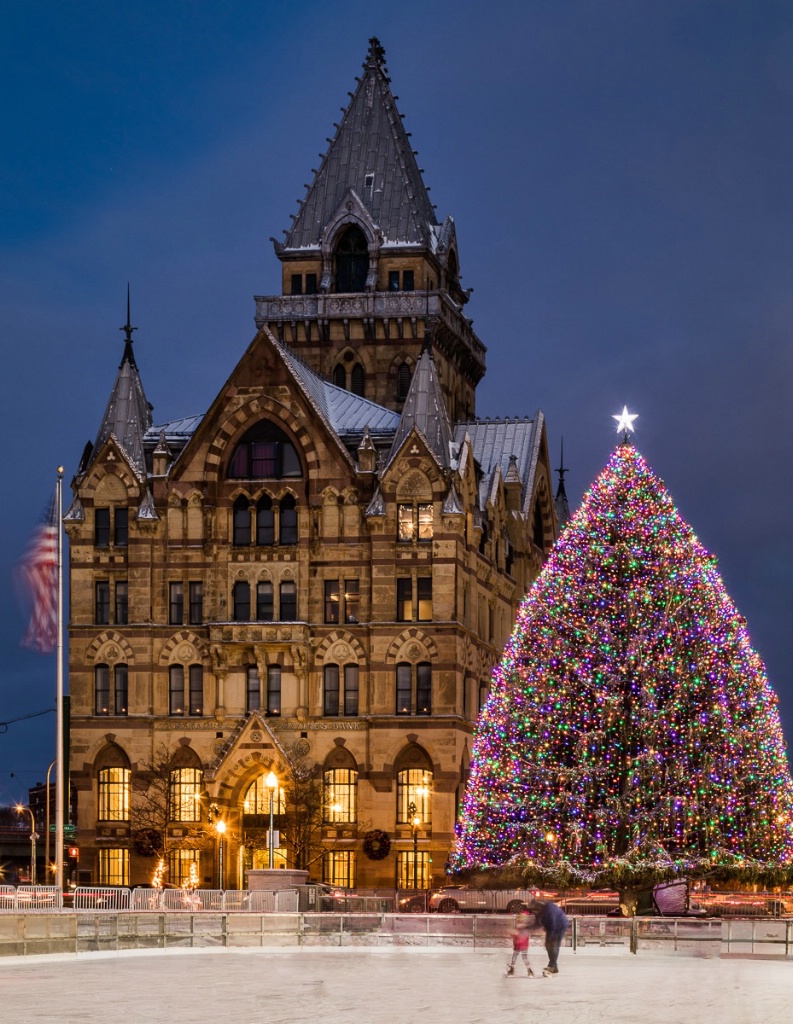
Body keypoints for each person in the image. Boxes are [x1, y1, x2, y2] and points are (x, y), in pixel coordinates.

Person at [527, 896, 569, 976]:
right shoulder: (539, 911)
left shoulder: (549, 910)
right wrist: (526, 928)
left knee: (554, 945)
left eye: (534, 910)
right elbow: (537, 924)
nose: (533, 912)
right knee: (548, 945)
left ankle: (552, 966)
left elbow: (553, 926)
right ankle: (554, 967)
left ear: (539, 907)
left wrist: (549, 940)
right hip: (552, 926)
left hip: (560, 925)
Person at [506, 909, 534, 976]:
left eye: (523, 917)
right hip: (518, 945)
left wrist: (515, 934)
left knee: (523, 958)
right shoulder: (519, 926)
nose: (521, 918)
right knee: (515, 957)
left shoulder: (525, 927)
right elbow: (516, 935)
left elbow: (522, 936)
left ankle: (529, 970)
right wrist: (513, 934)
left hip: (522, 945)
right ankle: (513, 969)